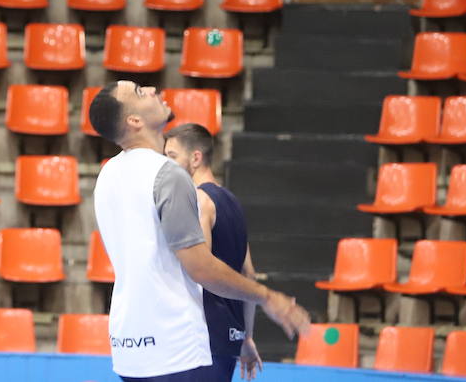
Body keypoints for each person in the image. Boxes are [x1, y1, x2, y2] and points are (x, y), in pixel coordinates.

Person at [88, 80, 310, 382]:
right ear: (134, 121)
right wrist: (267, 297)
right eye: (140, 92)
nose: (152, 89)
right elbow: (201, 268)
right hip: (174, 347)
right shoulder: (167, 175)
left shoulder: (107, 175)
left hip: (128, 346)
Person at [165, 123, 260, 381]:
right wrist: (246, 336)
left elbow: (199, 272)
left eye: (171, 157)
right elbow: (248, 275)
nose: (166, 166)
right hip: (228, 337)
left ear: (195, 158)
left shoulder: (197, 200)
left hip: (201, 339)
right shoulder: (233, 203)